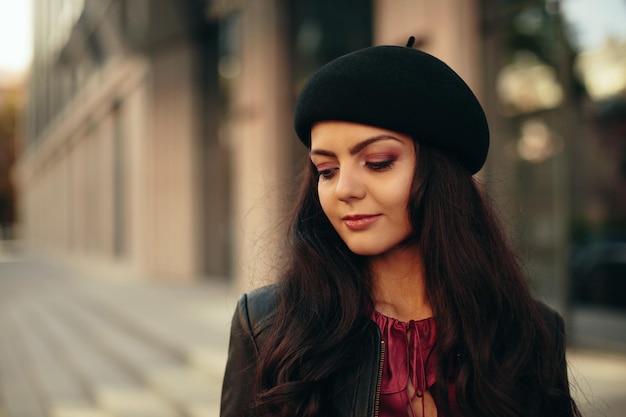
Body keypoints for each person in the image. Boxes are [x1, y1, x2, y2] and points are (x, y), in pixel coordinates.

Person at [220, 37, 581, 417]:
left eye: (377, 162)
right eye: (326, 171)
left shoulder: (528, 332)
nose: (344, 190)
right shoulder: (267, 326)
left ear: (438, 173)